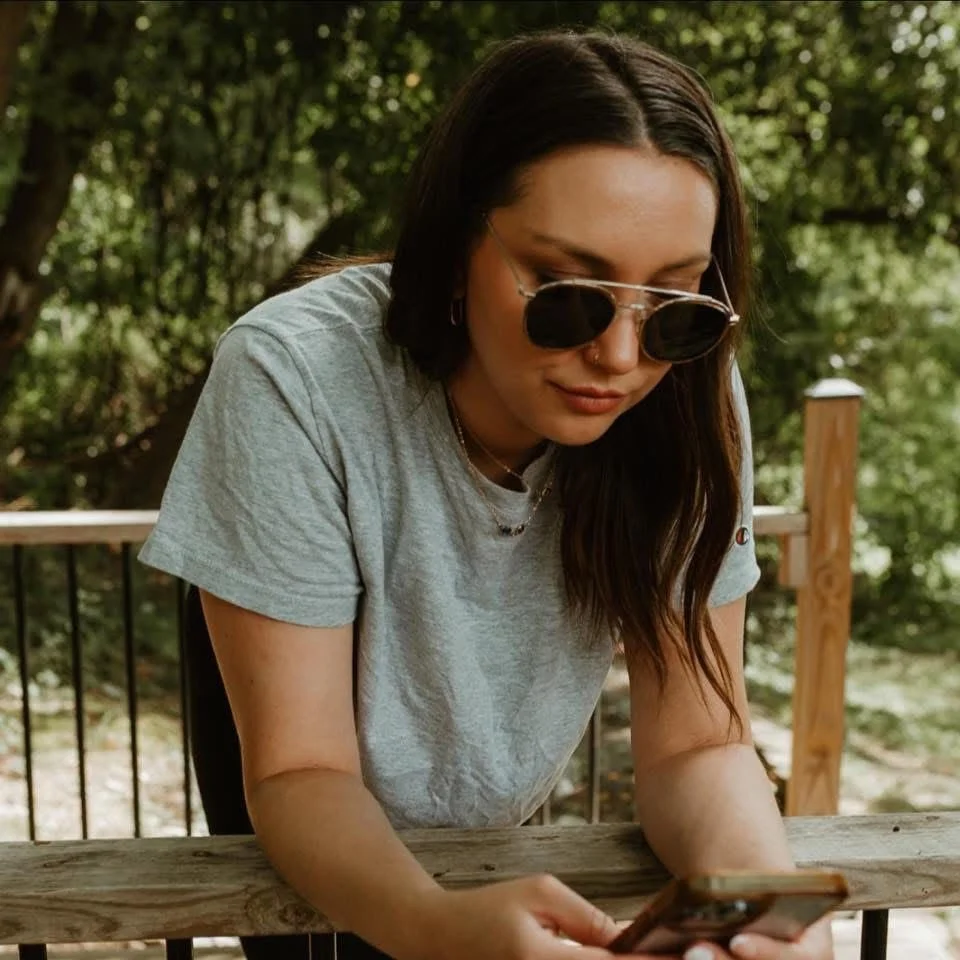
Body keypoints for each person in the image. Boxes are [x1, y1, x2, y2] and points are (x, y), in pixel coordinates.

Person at [139, 29, 836, 960]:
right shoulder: (291, 376)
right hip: (314, 875)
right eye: (567, 291)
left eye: (673, 304)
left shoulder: (692, 387)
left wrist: (760, 907)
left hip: (491, 873)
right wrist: (430, 927)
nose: (622, 358)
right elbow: (300, 772)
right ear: (458, 240)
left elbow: (699, 744)